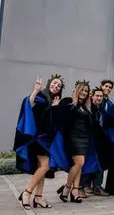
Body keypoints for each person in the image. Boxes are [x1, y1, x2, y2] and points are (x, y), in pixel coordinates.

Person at [14, 75, 64, 210]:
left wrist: (55, 107)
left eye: (59, 85)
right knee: (45, 166)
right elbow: (28, 105)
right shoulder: (41, 95)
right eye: (55, 83)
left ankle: (39, 197)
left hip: (46, 139)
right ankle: (27, 192)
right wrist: (35, 90)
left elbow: (53, 122)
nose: (56, 86)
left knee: (41, 169)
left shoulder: (54, 101)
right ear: (49, 83)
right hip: (36, 138)